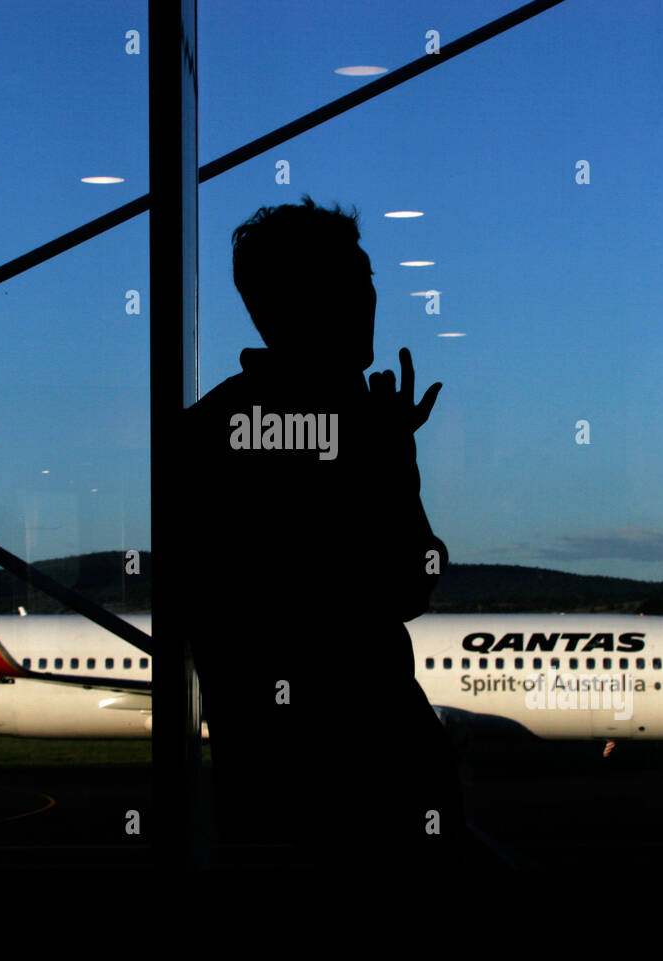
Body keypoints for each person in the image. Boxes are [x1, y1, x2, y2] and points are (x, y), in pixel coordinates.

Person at [181, 195, 466, 869]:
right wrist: (394, 457)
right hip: (369, 802)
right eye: (357, 278)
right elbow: (407, 581)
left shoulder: (206, 432)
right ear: (314, 297)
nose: (370, 296)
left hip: (269, 796)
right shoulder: (354, 435)